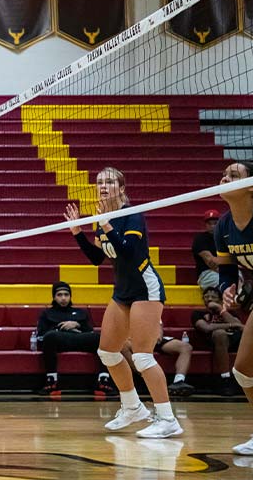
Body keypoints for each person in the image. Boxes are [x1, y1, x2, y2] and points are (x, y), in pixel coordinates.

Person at [65, 167, 181, 438]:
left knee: (141, 356)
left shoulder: (132, 215)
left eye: (109, 182)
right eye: (99, 182)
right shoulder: (101, 218)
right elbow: (99, 258)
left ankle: (167, 419)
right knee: (107, 352)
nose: (103, 186)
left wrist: (106, 223)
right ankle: (132, 408)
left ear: (122, 187)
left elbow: (128, 253)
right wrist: (77, 233)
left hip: (145, 289)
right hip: (123, 291)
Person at [213, 161, 253, 454]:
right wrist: (227, 290)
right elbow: (227, 272)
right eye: (225, 174)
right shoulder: (223, 225)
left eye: (234, 175)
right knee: (244, 370)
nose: (224, 178)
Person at [34, 282, 114, 397]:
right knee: (50, 337)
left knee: (100, 338)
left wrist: (76, 324)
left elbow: (90, 331)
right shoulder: (47, 313)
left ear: (70, 296)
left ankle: (103, 381)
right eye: (59, 295)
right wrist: (59, 328)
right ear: (54, 297)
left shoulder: (80, 312)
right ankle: (52, 381)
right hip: (59, 340)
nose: (63, 298)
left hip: (80, 339)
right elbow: (41, 335)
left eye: (66, 295)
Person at [193, 286, 244, 396]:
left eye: (213, 297)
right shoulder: (198, 313)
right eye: (206, 297)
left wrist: (221, 310)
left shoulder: (230, 313)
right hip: (212, 342)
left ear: (220, 300)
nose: (209, 299)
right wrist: (230, 325)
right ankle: (225, 379)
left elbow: (240, 326)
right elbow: (206, 328)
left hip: (234, 341)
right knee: (219, 333)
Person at [121, 323, 195, 397]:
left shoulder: (150, 311)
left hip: (152, 340)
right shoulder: (124, 312)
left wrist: (157, 336)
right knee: (123, 345)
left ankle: (178, 381)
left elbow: (158, 326)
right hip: (134, 340)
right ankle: (146, 377)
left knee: (186, 347)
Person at [193, 209, 222, 292]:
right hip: (207, 273)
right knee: (221, 282)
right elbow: (211, 261)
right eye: (209, 224)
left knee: (237, 279)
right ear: (205, 225)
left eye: (215, 223)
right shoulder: (200, 239)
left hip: (227, 270)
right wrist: (230, 261)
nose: (212, 226)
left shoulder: (226, 238)